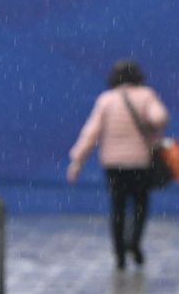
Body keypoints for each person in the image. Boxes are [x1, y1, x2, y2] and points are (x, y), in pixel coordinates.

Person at [67, 60, 169, 270]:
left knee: (117, 208)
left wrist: (77, 160)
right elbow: (159, 117)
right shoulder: (146, 95)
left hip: (113, 165)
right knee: (141, 205)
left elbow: (91, 133)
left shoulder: (106, 100)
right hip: (140, 163)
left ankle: (120, 255)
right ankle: (135, 242)